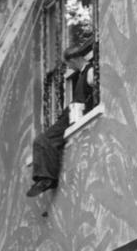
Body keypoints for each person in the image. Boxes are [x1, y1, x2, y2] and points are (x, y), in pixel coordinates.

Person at [26, 38, 95, 197]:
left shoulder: (90, 71)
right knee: (46, 141)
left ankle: (47, 178)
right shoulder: (83, 73)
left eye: (69, 63)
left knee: (42, 140)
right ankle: (45, 177)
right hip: (72, 112)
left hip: (76, 112)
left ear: (73, 60)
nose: (69, 67)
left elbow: (94, 85)